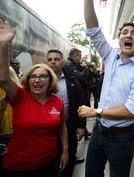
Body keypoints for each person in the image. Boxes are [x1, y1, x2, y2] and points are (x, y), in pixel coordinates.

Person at [77, 0, 134, 177]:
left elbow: (131, 110)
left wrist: (97, 112)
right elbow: (92, 28)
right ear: (119, 40)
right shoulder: (110, 56)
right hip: (99, 133)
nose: (129, 35)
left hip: (121, 137)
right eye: (124, 33)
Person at [0, 18, 68, 177]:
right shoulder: (20, 97)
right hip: (18, 167)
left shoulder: (57, 102)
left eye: (43, 76)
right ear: (28, 81)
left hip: (49, 163)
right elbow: (3, 78)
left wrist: (65, 151)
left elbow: (62, 127)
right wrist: (3, 45)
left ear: (50, 81)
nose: (37, 80)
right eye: (33, 77)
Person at [46, 49, 86, 177]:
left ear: (63, 62)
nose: (53, 62)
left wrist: (81, 126)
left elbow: (81, 103)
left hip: (69, 127)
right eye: (50, 60)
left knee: (67, 162)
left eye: (56, 59)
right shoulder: (40, 81)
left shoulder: (72, 81)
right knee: (49, 163)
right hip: (46, 131)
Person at [65, 48, 91, 139]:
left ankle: (84, 130)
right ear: (76, 56)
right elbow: (80, 77)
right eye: (80, 56)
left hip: (79, 92)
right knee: (79, 112)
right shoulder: (69, 65)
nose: (81, 58)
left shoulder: (75, 64)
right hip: (75, 94)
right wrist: (87, 68)